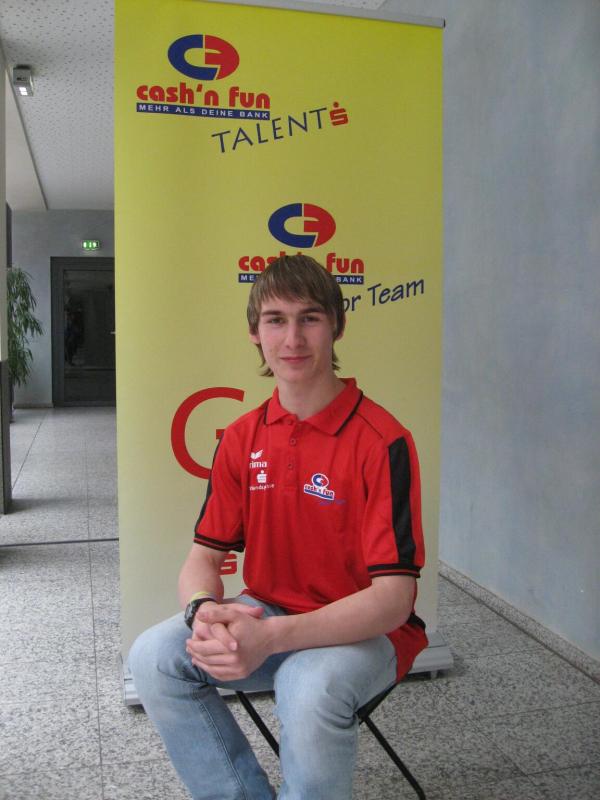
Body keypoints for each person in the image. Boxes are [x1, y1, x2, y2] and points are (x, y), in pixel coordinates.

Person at [128, 254, 427, 800]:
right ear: (254, 332)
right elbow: (203, 557)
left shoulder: (382, 440)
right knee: (154, 658)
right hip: (268, 612)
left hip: (368, 633)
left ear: (337, 326)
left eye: (309, 318)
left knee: (306, 684)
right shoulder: (242, 437)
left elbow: (393, 600)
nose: (292, 338)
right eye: (275, 320)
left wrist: (270, 638)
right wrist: (202, 609)